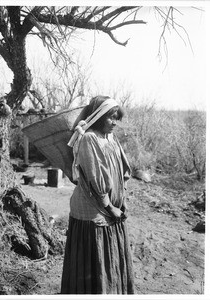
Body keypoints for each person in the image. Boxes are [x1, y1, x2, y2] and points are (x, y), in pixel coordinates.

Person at [60, 95, 135, 294]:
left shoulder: (110, 137)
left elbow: (121, 171)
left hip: (113, 207)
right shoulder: (89, 138)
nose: (114, 123)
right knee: (95, 259)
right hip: (94, 209)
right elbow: (95, 179)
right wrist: (110, 207)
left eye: (116, 118)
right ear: (99, 116)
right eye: (110, 117)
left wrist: (122, 201)